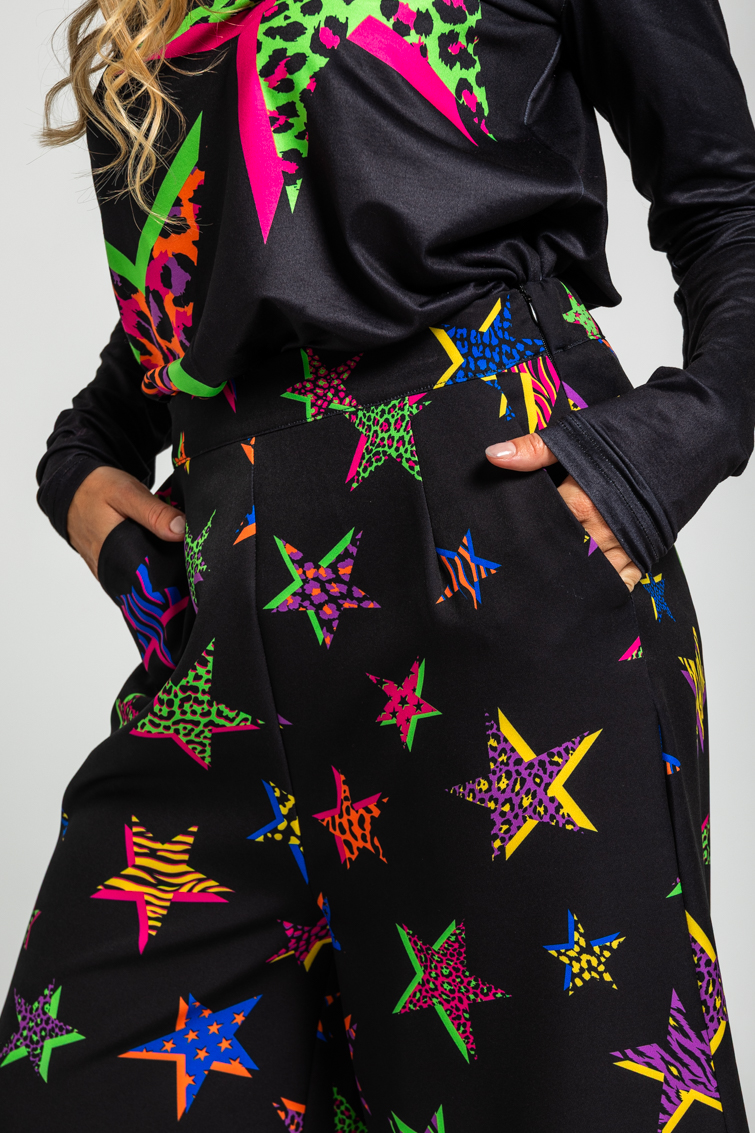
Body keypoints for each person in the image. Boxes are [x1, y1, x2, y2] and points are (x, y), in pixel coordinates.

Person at [0, 0, 752, 1128]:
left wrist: (682, 434)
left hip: (491, 576)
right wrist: (81, 457)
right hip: (231, 618)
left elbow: (724, 190)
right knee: (80, 1082)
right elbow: (243, 267)